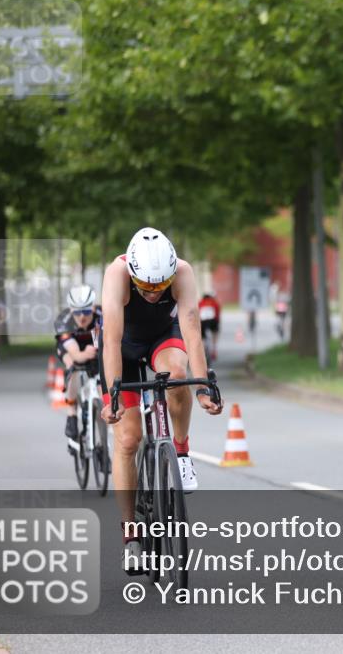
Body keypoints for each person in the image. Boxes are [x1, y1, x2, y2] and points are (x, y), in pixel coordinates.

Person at [98, 227, 223, 572]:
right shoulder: (116, 275)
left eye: (160, 287)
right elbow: (111, 342)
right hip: (122, 347)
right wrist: (113, 397)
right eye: (145, 287)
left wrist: (203, 389)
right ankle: (131, 536)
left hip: (162, 337)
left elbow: (192, 332)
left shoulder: (182, 272)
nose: (153, 294)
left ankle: (180, 451)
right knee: (128, 439)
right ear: (133, 275)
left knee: (178, 375)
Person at [54, 284, 103, 440]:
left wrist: (95, 352)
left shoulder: (101, 316)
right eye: (77, 312)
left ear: (93, 308)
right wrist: (85, 354)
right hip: (72, 348)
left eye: (86, 311)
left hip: (92, 344)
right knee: (72, 366)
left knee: (102, 369)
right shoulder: (63, 321)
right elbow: (76, 355)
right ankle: (71, 413)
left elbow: (102, 346)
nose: (82, 316)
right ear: (71, 310)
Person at [198, 291, 221, 363]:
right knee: (215, 333)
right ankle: (214, 349)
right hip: (213, 321)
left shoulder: (200, 302)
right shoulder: (214, 303)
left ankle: (203, 349)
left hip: (202, 322)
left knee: (202, 337)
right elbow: (217, 315)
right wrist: (217, 324)